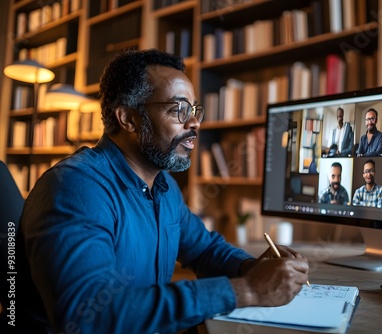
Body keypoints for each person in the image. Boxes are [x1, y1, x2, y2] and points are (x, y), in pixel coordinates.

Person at [16, 49, 309, 333]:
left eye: (194, 110)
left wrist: (249, 267)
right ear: (128, 118)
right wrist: (245, 290)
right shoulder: (75, 188)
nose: (194, 123)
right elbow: (90, 317)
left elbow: (205, 249)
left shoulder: (163, 188)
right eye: (178, 109)